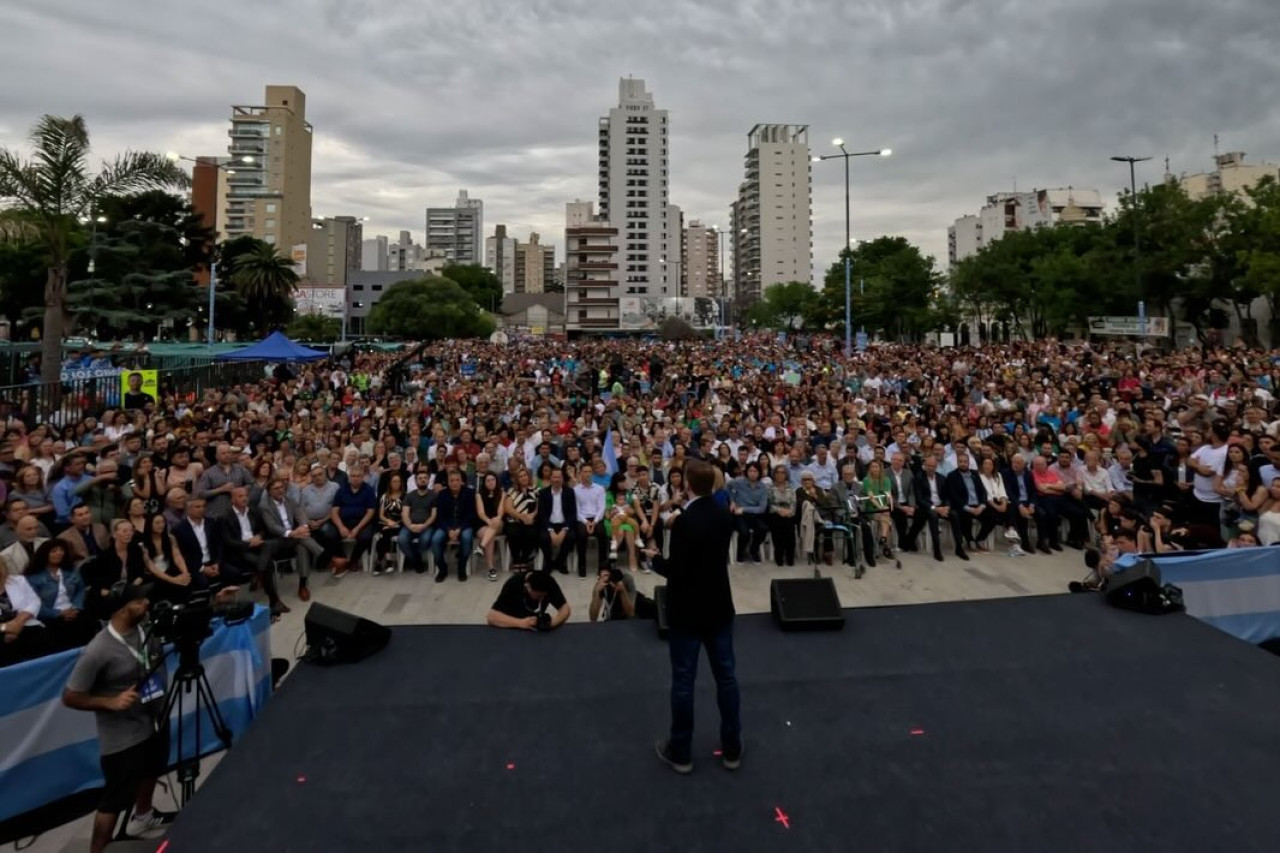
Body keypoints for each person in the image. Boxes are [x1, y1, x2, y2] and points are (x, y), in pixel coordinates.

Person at [645, 460, 741, 775]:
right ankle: (732, 748)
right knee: (726, 678)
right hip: (718, 607)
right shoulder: (724, 515)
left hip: (687, 611)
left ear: (687, 485)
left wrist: (655, 559)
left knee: (684, 681)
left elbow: (676, 571)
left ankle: (681, 751)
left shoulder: (686, 521)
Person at [62, 583, 172, 853]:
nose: (146, 605)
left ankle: (143, 817)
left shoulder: (144, 630)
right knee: (116, 797)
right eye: (139, 602)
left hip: (154, 720)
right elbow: (71, 696)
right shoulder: (97, 650)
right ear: (121, 609)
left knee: (152, 769)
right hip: (123, 738)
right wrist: (110, 702)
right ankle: (98, 849)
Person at [25, 538, 98, 650]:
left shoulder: (70, 571)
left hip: (73, 610)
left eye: (61, 550)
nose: (59, 553)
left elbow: (80, 589)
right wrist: (58, 614)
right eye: (54, 551)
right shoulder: (33, 578)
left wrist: (76, 607)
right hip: (50, 616)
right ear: (45, 554)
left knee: (88, 622)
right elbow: (35, 604)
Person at [259, 476, 324, 600]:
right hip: (277, 540)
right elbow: (272, 527)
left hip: (295, 537)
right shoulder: (265, 506)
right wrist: (292, 533)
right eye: (276, 488)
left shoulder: (290, 500)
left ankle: (303, 585)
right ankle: (322, 554)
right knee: (301, 539)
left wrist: (304, 527)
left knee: (302, 548)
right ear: (269, 491)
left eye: (281, 487)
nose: (280, 490)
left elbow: (301, 514)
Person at [485, 567, 571, 630]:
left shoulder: (548, 582)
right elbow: (491, 617)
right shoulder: (513, 584)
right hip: (512, 624)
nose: (540, 599)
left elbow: (565, 609)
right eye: (537, 596)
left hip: (534, 627)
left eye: (542, 596)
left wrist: (552, 623)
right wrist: (521, 623)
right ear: (527, 587)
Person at [1, 551, 49, 665]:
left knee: (41, 639)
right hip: (2, 629)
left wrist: (19, 622)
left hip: (26, 623)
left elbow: (34, 601)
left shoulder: (18, 581)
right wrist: (6, 628)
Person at [431, 468, 477, 582]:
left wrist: (460, 529)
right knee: (436, 539)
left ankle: (462, 567)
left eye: (457, 480)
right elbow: (440, 516)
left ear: (461, 481)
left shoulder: (470, 493)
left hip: (464, 525)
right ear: (448, 482)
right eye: (452, 480)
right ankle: (442, 568)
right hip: (446, 525)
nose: (455, 482)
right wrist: (448, 530)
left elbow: (471, 515)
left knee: (466, 537)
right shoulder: (442, 494)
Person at [537, 467, 577, 575]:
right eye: (554, 477)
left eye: (559, 477)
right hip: (549, 524)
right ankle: (549, 562)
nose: (556, 480)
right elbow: (542, 514)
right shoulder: (543, 493)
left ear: (563, 479)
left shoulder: (569, 492)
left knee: (571, 536)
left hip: (564, 524)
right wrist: (551, 530)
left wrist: (564, 530)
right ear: (550, 478)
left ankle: (560, 561)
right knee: (543, 537)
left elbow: (573, 513)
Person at [399, 468, 436, 575]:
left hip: (427, 526)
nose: (423, 480)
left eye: (425, 478)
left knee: (425, 539)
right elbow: (405, 513)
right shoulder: (409, 495)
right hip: (410, 525)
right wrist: (410, 526)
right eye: (420, 478)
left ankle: (414, 560)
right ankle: (417, 560)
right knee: (402, 539)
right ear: (415, 481)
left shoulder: (433, 495)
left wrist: (424, 525)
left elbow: (434, 515)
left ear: (429, 480)